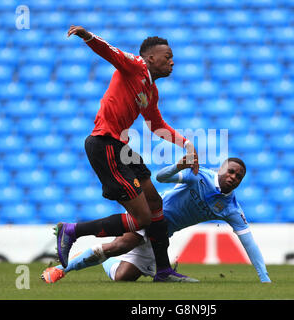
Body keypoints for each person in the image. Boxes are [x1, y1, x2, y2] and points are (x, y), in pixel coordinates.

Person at [55, 25, 199, 282]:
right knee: (143, 217)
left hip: (121, 147)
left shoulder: (150, 90)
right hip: (104, 144)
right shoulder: (135, 65)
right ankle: (72, 230)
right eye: (167, 57)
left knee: (155, 204)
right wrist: (88, 36)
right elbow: (111, 53)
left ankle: (163, 271)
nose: (172, 62)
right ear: (150, 58)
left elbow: (156, 126)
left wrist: (187, 144)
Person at [42, 157, 271, 283]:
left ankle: (104, 259)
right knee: (121, 244)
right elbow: (161, 177)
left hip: (163, 236)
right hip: (152, 215)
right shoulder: (200, 176)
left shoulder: (231, 208)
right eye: (230, 171)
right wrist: (177, 167)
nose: (233, 177)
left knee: (123, 277)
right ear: (222, 169)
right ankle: (62, 270)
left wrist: (265, 279)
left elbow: (249, 243)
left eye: (238, 176)